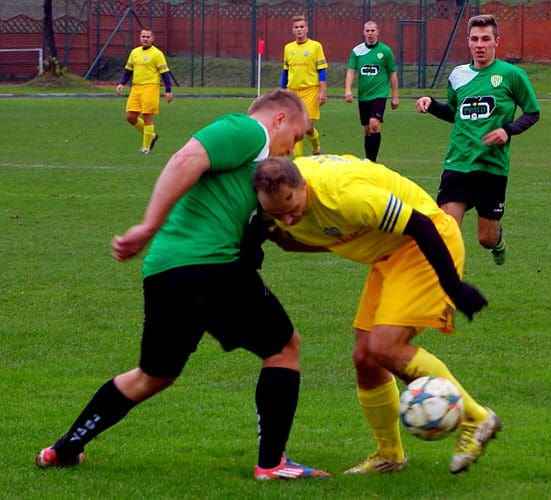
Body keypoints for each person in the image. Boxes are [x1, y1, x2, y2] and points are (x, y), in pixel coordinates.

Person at [35, 89, 330, 480]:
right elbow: (185, 157)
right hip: (210, 268)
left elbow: (277, 237)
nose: (292, 150)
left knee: (154, 374)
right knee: (283, 346)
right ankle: (272, 464)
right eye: (295, 136)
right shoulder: (249, 130)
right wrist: (147, 226)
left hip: (166, 272)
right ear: (279, 120)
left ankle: (63, 449)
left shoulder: (252, 173)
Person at [251, 154, 500, 475]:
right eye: (277, 214)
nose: (287, 219)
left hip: (425, 241)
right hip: (389, 253)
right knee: (365, 358)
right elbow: (291, 238)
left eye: (291, 206)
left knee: (385, 347)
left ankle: (477, 418)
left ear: (303, 184)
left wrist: (454, 287)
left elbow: (420, 225)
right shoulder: (274, 206)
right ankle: (390, 455)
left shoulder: (345, 195)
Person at [416, 14, 540, 266]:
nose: (480, 44)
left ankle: (498, 241)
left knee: (486, 238)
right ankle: (446, 290)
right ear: (468, 42)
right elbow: (455, 113)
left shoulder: (512, 75)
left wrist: (508, 130)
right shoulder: (458, 75)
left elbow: (532, 113)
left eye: (486, 39)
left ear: (496, 41)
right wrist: (432, 105)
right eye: (475, 39)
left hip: (492, 167)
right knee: (445, 232)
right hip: (458, 162)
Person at [344, 20, 400, 162]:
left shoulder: (385, 51)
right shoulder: (357, 51)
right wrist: (348, 90)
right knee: (367, 129)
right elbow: (351, 71)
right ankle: (369, 160)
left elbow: (392, 74)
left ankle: (372, 161)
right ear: (363, 32)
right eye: (367, 31)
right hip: (363, 96)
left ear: (377, 32)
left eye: (372, 30)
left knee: (374, 124)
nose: (370, 33)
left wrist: (395, 96)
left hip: (379, 94)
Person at [116, 28, 174, 155]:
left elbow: (165, 73)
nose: (145, 39)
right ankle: (152, 136)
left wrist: (168, 90)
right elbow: (128, 70)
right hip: (136, 88)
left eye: (148, 37)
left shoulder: (157, 54)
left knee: (147, 117)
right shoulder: (134, 52)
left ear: (153, 38)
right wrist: (121, 83)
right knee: (130, 117)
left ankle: (145, 148)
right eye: (143, 36)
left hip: (150, 87)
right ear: (140, 38)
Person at [281, 15, 328, 157]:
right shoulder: (288, 48)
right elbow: (285, 71)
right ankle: (299, 161)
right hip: (292, 92)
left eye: (302, 27)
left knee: (307, 127)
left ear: (307, 29)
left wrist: (323, 92)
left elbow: (322, 70)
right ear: (292, 30)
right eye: (296, 27)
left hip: (311, 90)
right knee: (296, 128)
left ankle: (316, 147)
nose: (299, 29)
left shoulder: (315, 46)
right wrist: (282, 92)